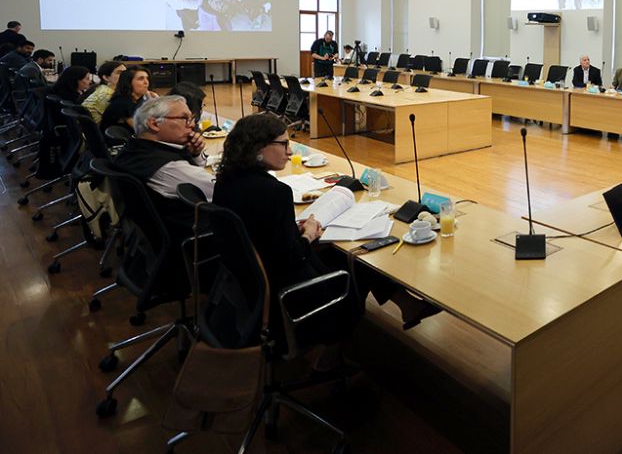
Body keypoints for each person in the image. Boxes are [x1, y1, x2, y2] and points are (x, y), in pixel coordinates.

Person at [213, 114, 441, 342]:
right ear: (258, 147)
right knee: (355, 260)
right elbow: (290, 257)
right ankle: (326, 359)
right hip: (288, 291)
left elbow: (260, 232)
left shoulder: (225, 181)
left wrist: (292, 231)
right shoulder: (275, 192)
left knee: (352, 256)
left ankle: (408, 305)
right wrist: (309, 235)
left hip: (249, 287)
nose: (290, 151)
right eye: (283, 144)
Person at [113, 96, 215, 235]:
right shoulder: (168, 166)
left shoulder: (135, 149)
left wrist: (194, 155)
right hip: (197, 236)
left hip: (153, 235)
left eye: (191, 118)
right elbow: (219, 190)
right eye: (184, 118)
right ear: (154, 124)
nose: (192, 125)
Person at [101, 66, 156, 132]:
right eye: (141, 79)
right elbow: (141, 129)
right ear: (129, 83)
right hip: (119, 141)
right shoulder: (121, 103)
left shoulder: (140, 100)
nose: (146, 82)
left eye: (147, 78)